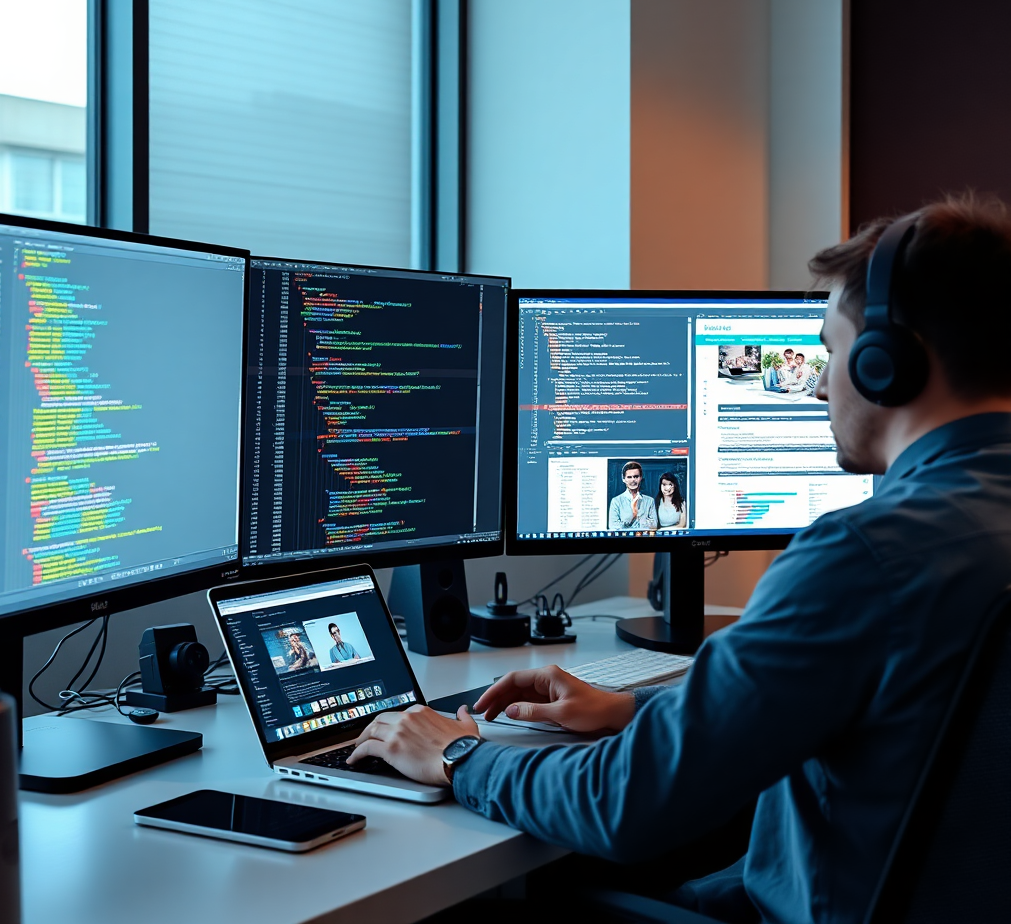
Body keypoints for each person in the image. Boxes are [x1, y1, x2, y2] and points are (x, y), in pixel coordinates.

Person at [348, 195, 1011, 924]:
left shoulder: (862, 555)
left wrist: (461, 756)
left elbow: (626, 806)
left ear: (891, 363)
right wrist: (636, 708)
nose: (820, 381)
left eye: (833, 348)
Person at [607, 461, 657, 531]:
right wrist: (633, 516)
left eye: (636, 476)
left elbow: (654, 525)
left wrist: (625, 525)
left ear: (641, 478)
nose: (633, 480)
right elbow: (613, 526)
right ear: (624, 479)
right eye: (629, 477)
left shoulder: (650, 501)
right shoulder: (616, 501)